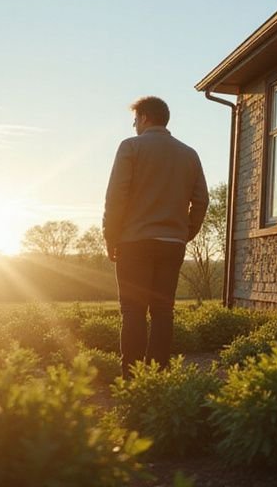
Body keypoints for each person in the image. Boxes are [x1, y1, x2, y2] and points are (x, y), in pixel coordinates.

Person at [102, 95, 208, 379]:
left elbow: (116, 197)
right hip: (172, 244)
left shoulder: (131, 147)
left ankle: (132, 379)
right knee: (163, 311)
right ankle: (158, 377)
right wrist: (184, 234)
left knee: (133, 311)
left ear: (145, 117)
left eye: (135, 119)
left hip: (134, 243)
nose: (134, 124)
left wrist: (110, 237)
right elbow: (201, 201)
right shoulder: (189, 154)